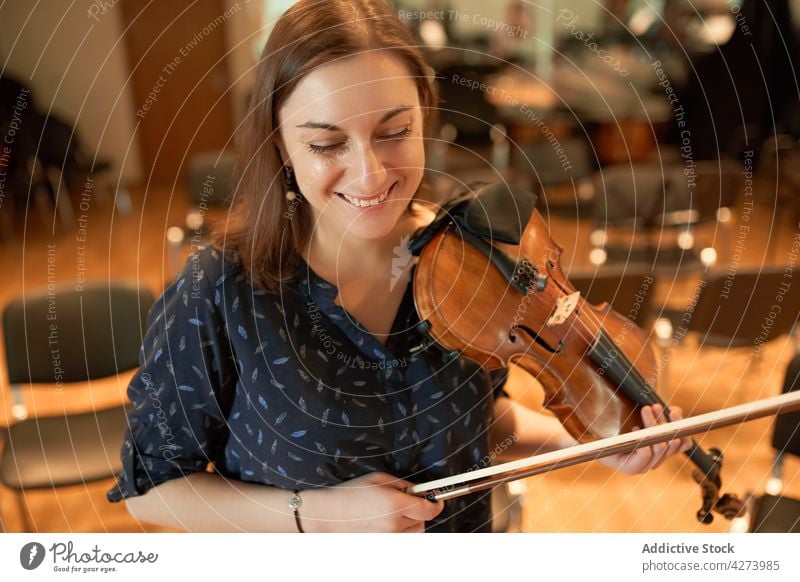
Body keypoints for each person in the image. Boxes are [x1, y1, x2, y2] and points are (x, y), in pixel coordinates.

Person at [107, 0, 691, 533]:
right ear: (280, 144)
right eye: (326, 144)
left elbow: (481, 423)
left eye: (394, 132)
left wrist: (590, 441)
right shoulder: (217, 290)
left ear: (425, 121)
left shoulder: (471, 257)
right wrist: (316, 515)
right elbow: (154, 488)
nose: (371, 174)